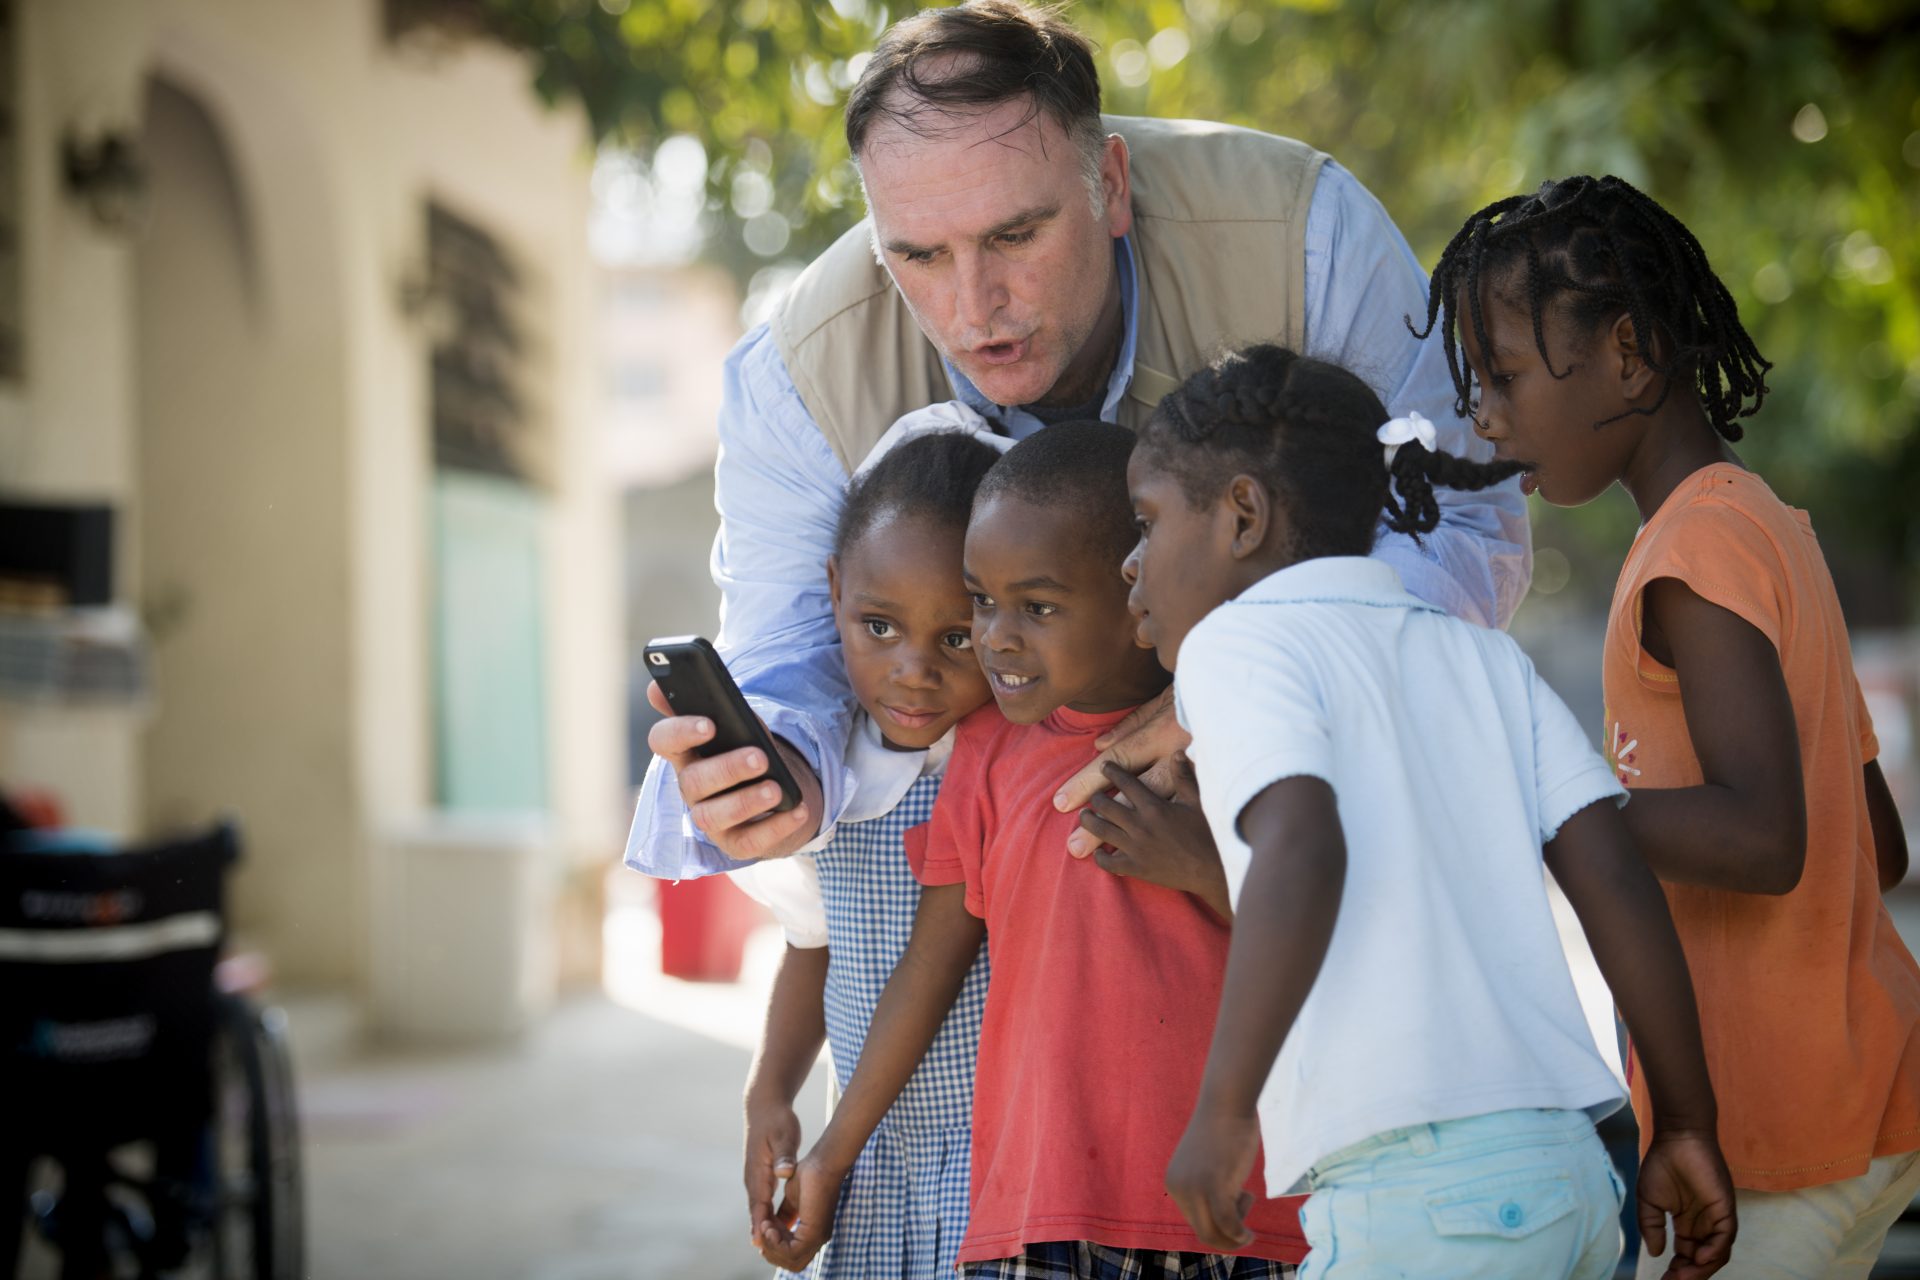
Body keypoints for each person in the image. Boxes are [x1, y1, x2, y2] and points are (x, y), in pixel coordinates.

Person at [626, 0, 1531, 884]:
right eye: (919, 257)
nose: (975, 307)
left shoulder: (1307, 234)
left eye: (1015, 235)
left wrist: (1257, 676)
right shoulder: (795, 374)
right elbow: (786, 652)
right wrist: (776, 766)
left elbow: (1463, 523)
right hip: (969, 858)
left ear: (1112, 185)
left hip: (1320, 798)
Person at [1129, 345, 1737, 1278]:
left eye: (1147, 522)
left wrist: (1223, 1108)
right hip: (1574, 1175)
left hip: (1414, 1196)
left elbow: (1302, 847)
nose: (1131, 565)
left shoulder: (1236, 646)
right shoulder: (1478, 655)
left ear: (1242, 515)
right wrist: (1688, 1122)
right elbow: (1613, 872)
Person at [1424, 174, 1920, 1278]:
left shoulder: (1696, 553)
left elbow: (1766, 839)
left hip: (1782, 1129)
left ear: (1631, 354)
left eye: (1503, 374)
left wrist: (1556, 805)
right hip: (1866, 1098)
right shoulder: (1766, 525)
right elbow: (1874, 847)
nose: (1485, 415)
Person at [759, 422, 1305, 1279]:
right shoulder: (986, 753)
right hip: (1042, 1215)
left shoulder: (1230, 730)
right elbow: (927, 969)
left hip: (1241, 1206)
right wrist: (830, 1155)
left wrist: (1204, 867)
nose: (995, 638)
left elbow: (1334, 934)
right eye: (983, 600)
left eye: (1038, 607)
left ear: (1138, 592)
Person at [731, 425, 1006, 1279]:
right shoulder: (825, 768)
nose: (913, 670)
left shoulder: (1003, 758)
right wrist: (769, 1090)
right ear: (834, 591)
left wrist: (830, 1152)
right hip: (870, 1168)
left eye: (957, 637)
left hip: (992, 1165)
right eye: (878, 625)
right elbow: (814, 945)